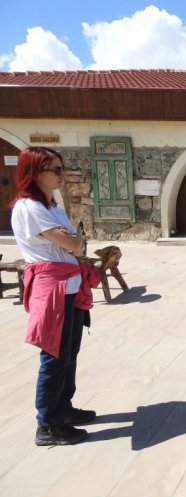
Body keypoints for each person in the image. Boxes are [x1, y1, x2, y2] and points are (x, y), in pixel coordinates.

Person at [10, 146, 100, 446]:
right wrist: (73, 240)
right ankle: (48, 425)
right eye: (56, 170)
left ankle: (64, 408)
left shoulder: (51, 206)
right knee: (54, 356)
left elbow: (76, 241)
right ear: (35, 172)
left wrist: (73, 240)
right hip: (52, 288)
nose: (62, 175)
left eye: (62, 168)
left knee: (69, 353)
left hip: (69, 285)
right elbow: (74, 244)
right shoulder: (30, 207)